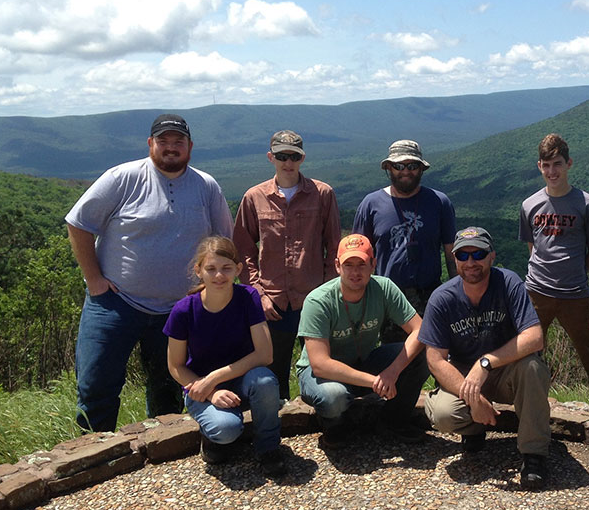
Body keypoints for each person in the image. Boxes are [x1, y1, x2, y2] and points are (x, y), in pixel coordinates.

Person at [65, 114, 233, 432]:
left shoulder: (206, 186)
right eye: (163, 141)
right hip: (114, 304)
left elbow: (223, 242)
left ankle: (162, 456)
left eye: (178, 142)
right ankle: (93, 461)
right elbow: (78, 223)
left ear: (190, 146)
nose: (171, 148)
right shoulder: (121, 178)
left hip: (177, 310)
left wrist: (210, 288)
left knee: (167, 391)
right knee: (96, 387)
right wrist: (94, 280)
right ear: (150, 144)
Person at [420, 227, 551, 490]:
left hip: (505, 371)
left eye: (478, 254)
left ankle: (534, 453)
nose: (470, 262)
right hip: (465, 376)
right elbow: (435, 360)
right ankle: (473, 429)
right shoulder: (442, 298)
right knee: (443, 413)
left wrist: (486, 362)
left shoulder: (509, 283)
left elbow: (535, 337)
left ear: (492, 256)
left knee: (533, 368)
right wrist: (474, 399)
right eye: (463, 256)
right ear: (454, 259)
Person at [164, 237, 288, 478]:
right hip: (199, 386)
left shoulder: (248, 297)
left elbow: (265, 354)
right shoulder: (183, 311)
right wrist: (210, 390)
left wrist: (216, 376)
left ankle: (268, 448)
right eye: (211, 269)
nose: (219, 275)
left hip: (242, 379)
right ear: (198, 271)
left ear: (238, 270)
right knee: (226, 429)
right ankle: (213, 438)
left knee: (265, 381)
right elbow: (175, 366)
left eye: (226, 268)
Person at [233, 130, 341, 400]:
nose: (288, 162)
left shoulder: (322, 193)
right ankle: (276, 430)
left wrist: (327, 292)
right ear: (271, 157)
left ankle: (324, 420)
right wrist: (258, 293)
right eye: (282, 156)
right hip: (272, 302)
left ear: (302, 158)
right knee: (271, 373)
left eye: (294, 156)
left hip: (314, 299)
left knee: (322, 369)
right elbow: (243, 251)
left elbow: (333, 246)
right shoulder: (253, 197)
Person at [296, 234, 429, 448]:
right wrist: (375, 382)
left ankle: (393, 420)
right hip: (320, 373)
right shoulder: (318, 301)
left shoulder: (384, 288)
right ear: (337, 266)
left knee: (424, 355)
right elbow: (320, 364)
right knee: (333, 397)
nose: (355, 272)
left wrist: (392, 371)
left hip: (364, 360)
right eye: (348, 265)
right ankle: (335, 423)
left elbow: (420, 330)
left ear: (373, 265)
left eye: (362, 264)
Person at [519, 133, 589, 410]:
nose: (552, 171)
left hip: (575, 294)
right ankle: (529, 412)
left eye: (558, 164)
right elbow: (533, 248)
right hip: (537, 292)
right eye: (546, 165)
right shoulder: (529, 205)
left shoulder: (586, 204)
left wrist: (574, 272)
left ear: (569, 164)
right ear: (539, 166)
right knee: (527, 357)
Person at [352, 139, 457, 325]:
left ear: (421, 169)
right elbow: (358, 256)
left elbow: (451, 253)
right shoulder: (370, 205)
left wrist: (458, 291)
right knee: (392, 352)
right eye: (399, 166)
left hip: (432, 296)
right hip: (387, 298)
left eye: (412, 166)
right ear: (389, 169)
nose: (406, 171)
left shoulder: (439, 202)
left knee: (433, 351)